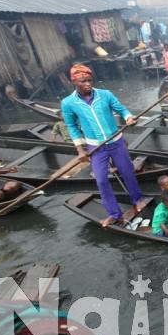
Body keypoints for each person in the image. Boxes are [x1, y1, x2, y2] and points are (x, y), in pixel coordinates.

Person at [61, 64, 146, 227]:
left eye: (89, 80)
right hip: (96, 147)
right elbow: (71, 127)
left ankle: (137, 199)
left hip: (116, 141)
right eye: (83, 81)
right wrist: (80, 150)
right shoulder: (68, 103)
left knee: (127, 171)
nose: (88, 84)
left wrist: (129, 117)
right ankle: (114, 213)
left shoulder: (105, 95)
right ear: (74, 82)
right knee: (101, 180)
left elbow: (121, 109)